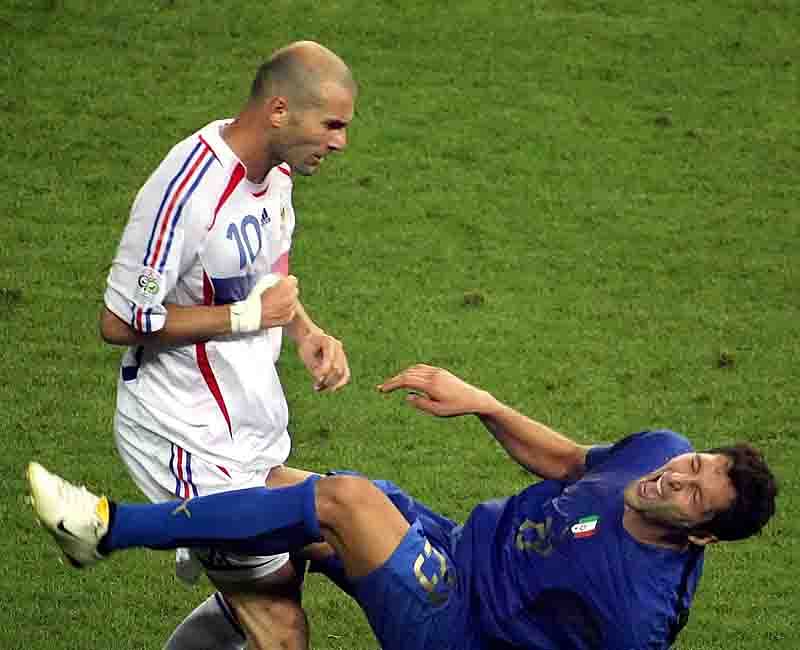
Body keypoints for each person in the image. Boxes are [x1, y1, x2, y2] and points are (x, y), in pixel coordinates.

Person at [29, 364, 778, 650]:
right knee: (282, 494)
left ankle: (107, 527)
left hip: (456, 627)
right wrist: (485, 402)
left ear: (703, 536)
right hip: (451, 546)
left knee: (346, 501)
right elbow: (573, 462)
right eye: (694, 464)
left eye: (692, 495)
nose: (674, 478)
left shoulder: (633, 612)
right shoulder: (658, 451)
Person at [98, 40, 357, 650]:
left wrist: (305, 331)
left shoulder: (277, 177)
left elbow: (268, 273)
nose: (341, 141)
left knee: (304, 556)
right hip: (181, 432)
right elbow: (119, 319)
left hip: (246, 421)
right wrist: (246, 317)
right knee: (280, 626)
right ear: (278, 110)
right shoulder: (188, 187)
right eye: (333, 124)